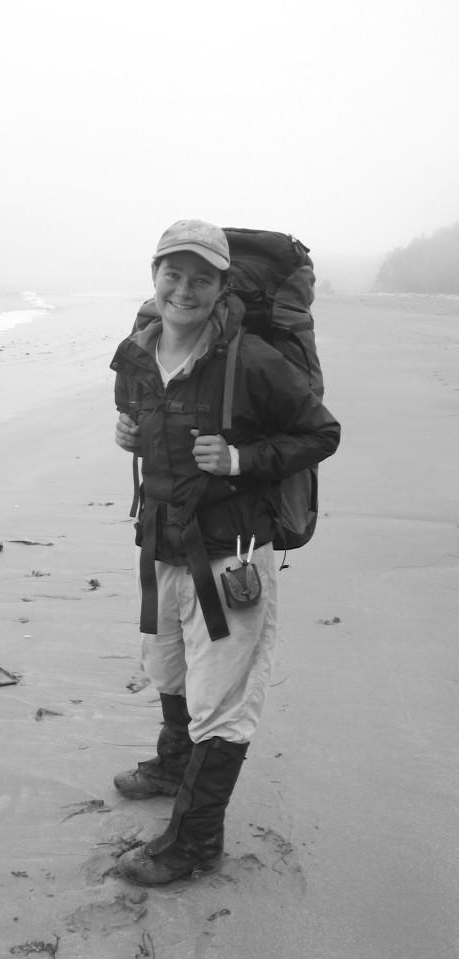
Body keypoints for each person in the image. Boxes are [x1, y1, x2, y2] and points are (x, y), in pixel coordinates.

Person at [109, 219, 341, 885]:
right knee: (165, 665)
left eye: (201, 277)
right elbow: (139, 412)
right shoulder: (138, 349)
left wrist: (241, 458)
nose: (184, 288)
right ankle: (172, 764)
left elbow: (320, 433)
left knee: (224, 701)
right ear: (154, 274)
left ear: (221, 285)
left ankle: (193, 844)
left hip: (230, 556)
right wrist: (130, 433)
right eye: (173, 273)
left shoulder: (252, 362)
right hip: (161, 544)